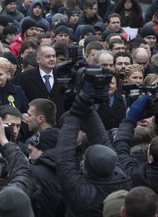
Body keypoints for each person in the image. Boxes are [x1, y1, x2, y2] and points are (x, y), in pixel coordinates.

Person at [56, 85, 132, 216]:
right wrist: (87, 107)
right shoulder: (123, 181)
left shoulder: (81, 194)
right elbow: (103, 141)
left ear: (86, 167)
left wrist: (76, 111)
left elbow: (64, 158)